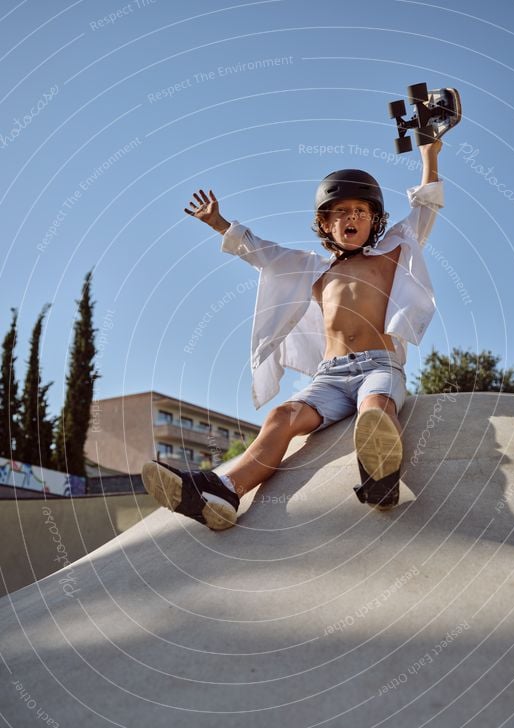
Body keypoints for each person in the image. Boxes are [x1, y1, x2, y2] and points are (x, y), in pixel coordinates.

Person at [142, 138, 444, 530]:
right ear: (324, 223)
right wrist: (220, 223)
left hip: (379, 367)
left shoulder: (392, 251)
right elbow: (262, 253)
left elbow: (425, 207)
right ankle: (223, 491)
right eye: (340, 212)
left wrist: (429, 156)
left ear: (376, 221)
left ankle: (380, 478)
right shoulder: (312, 270)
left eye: (360, 211)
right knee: (282, 416)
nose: (350, 217)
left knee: (376, 409)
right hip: (330, 378)